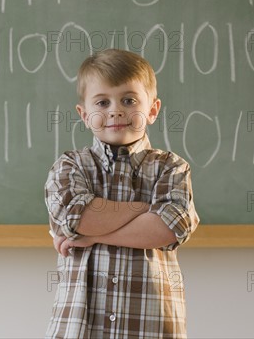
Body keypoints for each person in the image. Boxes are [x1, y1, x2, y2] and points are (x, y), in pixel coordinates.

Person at [44, 48, 200, 339]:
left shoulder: (171, 167)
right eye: (102, 102)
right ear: (84, 114)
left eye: (128, 100)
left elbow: (167, 228)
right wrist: (145, 210)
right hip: (79, 328)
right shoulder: (69, 166)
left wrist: (92, 237)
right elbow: (79, 218)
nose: (115, 111)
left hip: (151, 327)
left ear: (152, 109)